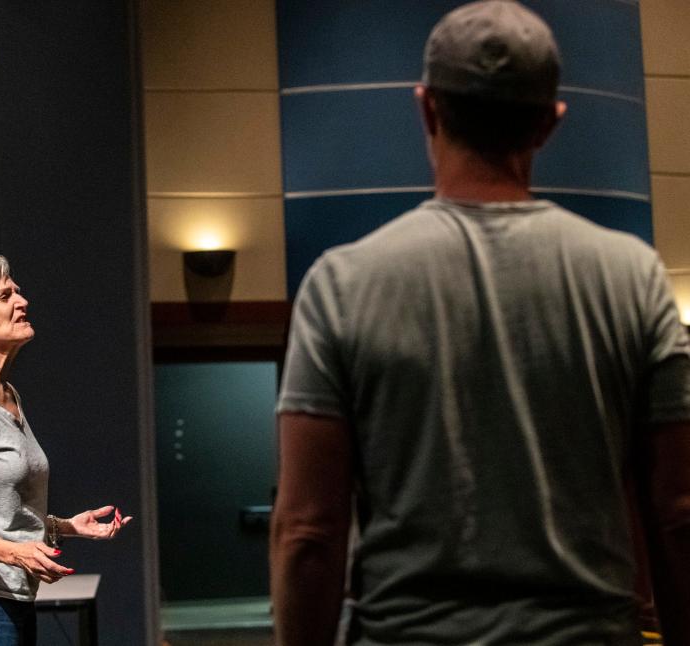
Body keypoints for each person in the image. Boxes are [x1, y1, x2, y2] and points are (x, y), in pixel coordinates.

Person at [269, 2, 690, 645]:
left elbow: (307, 532)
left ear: (427, 108)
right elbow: (678, 513)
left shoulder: (342, 284)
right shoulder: (632, 277)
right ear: (550, 125)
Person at [0, 255, 131, 646]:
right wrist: (16, 554)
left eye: (17, 291)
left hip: (6, 595)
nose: (22, 301)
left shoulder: (6, 395)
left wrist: (63, 527)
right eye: (5, 295)